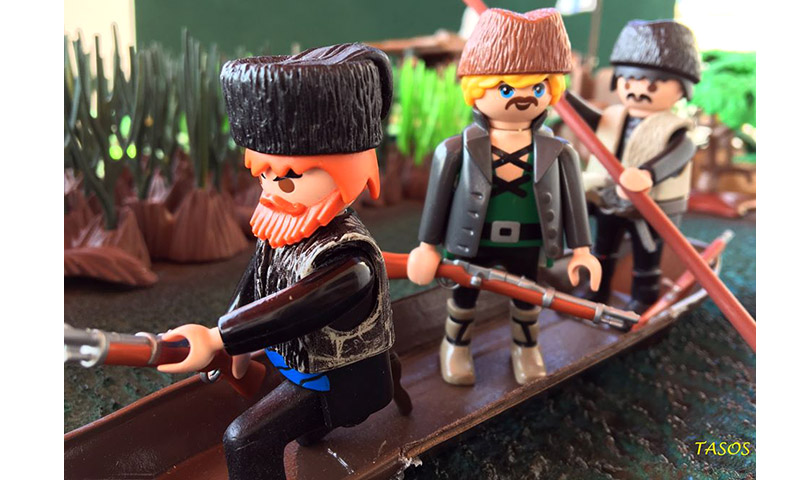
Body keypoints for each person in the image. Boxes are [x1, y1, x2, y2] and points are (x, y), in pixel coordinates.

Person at [156, 43, 400, 480]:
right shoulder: (283, 232)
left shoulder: (350, 260)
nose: (271, 189)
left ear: (346, 170)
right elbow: (255, 284)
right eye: (264, 174)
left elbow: (296, 309)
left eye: (289, 177)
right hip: (298, 369)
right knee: (305, 437)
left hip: (336, 384)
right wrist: (235, 342)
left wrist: (219, 337)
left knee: (244, 440)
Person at [407, 8, 601, 386]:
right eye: (507, 89)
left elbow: (575, 203)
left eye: (538, 88)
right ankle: (455, 345)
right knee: (464, 297)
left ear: (552, 90)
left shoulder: (558, 151)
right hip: (473, 238)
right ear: (476, 89)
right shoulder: (458, 148)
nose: (524, 98)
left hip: (528, 241)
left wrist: (582, 250)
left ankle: (526, 347)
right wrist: (427, 246)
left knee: (528, 297)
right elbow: (437, 201)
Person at [565, 20, 701, 313]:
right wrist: (562, 97)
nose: (638, 91)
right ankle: (595, 291)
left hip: (651, 206)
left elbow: (679, 154)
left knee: (647, 255)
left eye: (651, 84)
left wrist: (648, 173)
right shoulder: (614, 114)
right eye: (628, 82)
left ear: (682, 88)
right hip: (609, 197)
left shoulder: (676, 128)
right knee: (602, 248)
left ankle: (643, 299)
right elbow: (589, 118)